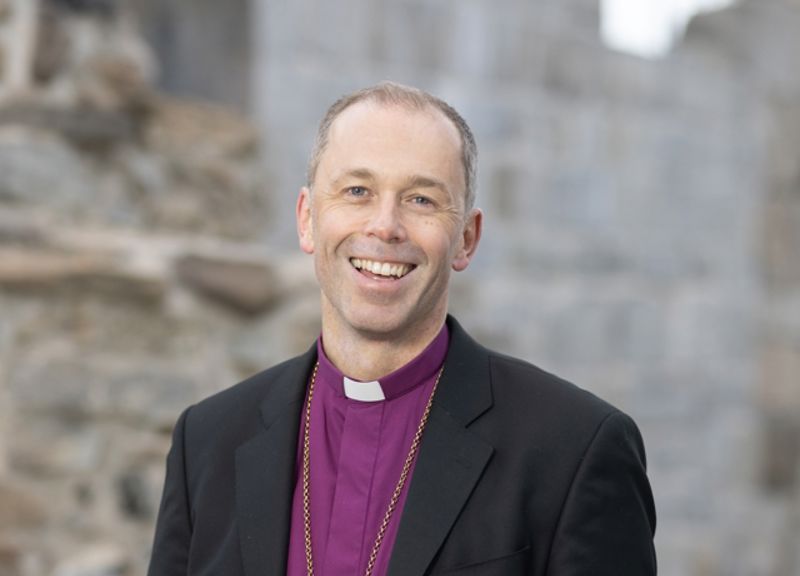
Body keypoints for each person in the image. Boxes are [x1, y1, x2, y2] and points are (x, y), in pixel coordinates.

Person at [147, 82, 657, 576]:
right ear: (307, 219)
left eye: (421, 200)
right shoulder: (207, 442)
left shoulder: (574, 449)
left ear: (466, 239)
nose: (384, 226)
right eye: (357, 191)